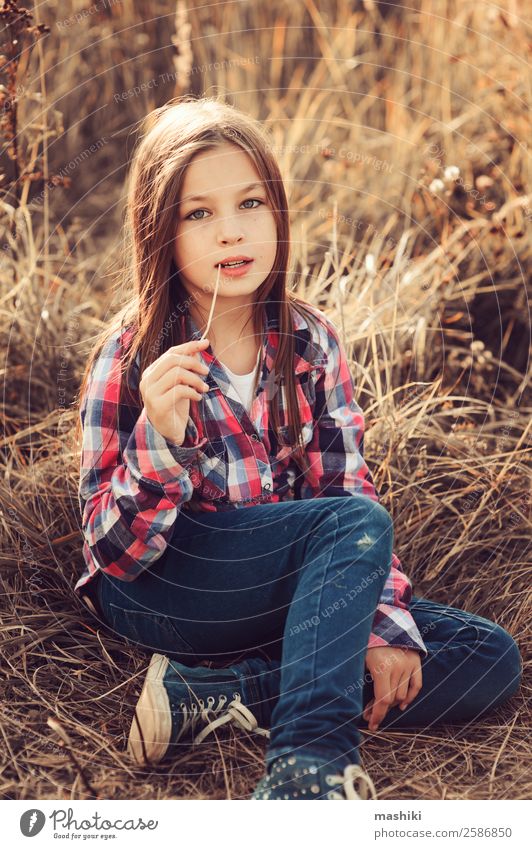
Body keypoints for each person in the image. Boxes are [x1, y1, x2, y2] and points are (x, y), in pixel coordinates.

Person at [74, 95, 522, 801]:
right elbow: (110, 556)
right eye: (200, 213)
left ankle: (224, 693)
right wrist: (159, 439)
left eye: (250, 203)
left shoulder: (309, 343)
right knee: (354, 529)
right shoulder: (133, 355)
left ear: (278, 214)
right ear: (161, 230)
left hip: (284, 590)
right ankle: (308, 764)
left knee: (487, 656)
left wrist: (380, 623)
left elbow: (344, 491)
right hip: (168, 589)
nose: (231, 232)